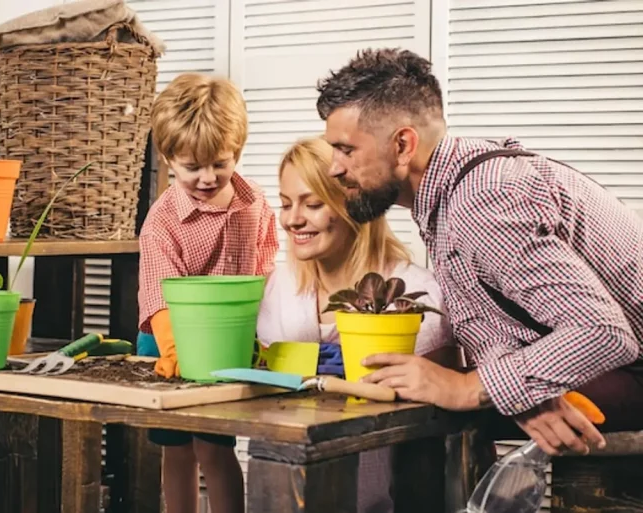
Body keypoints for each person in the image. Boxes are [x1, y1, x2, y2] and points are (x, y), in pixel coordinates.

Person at [313, 47, 643, 457]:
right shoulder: (451, 190)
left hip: (632, 367)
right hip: (621, 366)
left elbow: (604, 334)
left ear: (402, 145)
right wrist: (516, 393)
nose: (334, 168)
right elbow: (496, 322)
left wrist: (472, 388)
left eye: (346, 149)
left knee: (429, 412)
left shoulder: (483, 202)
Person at [257, 137, 455, 513]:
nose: (292, 219)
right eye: (285, 204)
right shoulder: (280, 288)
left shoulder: (416, 291)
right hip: (288, 494)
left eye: (312, 204)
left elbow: (438, 414)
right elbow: (264, 381)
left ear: (353, 206)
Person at [136, 72, 279, 513]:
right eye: (192, 166)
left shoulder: (254, 205)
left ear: (237, 151)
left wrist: (261, 336)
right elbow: (158, 294)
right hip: (167, 339)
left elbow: (266, 272)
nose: (207, 176)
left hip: (225, 340)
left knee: (216, 447)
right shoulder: (161, 221)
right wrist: (176, 349)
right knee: (176, 448)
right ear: (168, 159)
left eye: (220, 162)